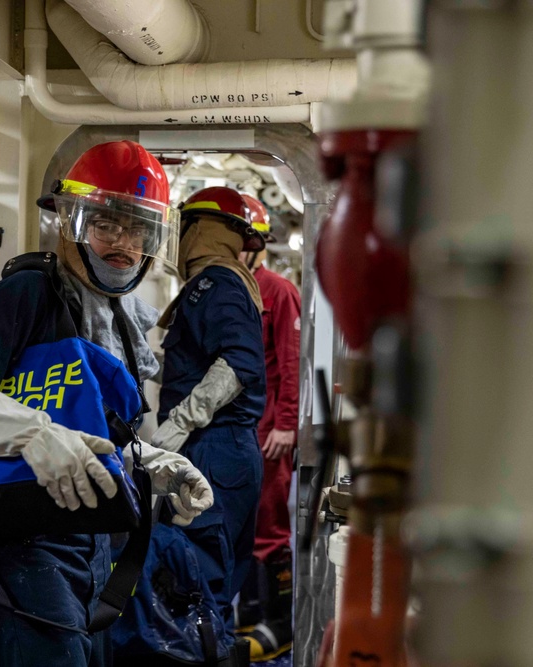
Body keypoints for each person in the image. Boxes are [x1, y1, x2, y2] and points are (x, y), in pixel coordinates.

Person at [0, 141, 214, 666]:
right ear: (69, 223)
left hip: (94, 540)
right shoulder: (28, 295)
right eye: (106, 225)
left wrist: (152, 465)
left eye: (139, 229)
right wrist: (32, 434)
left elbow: (91, 433)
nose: (123, 243)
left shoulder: (120, 319)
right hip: (24, 541)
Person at [152, 186, 268, 648]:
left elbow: (241, 361)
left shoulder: (214, 283)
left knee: (195, 588)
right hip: (227, 450)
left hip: (212, 449)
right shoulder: (225, 282)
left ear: (200, 230)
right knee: (211, 589)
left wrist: (181, 421)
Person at [235, 194, 301, 662]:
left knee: (271, 527)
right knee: (242, 523)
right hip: (237, 429)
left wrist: (287, 424)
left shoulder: (276, 290)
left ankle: (278, 623)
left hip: (269, 430)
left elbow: (292, 361)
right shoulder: (223, 290)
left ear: (255, 246)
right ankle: (246, 615)